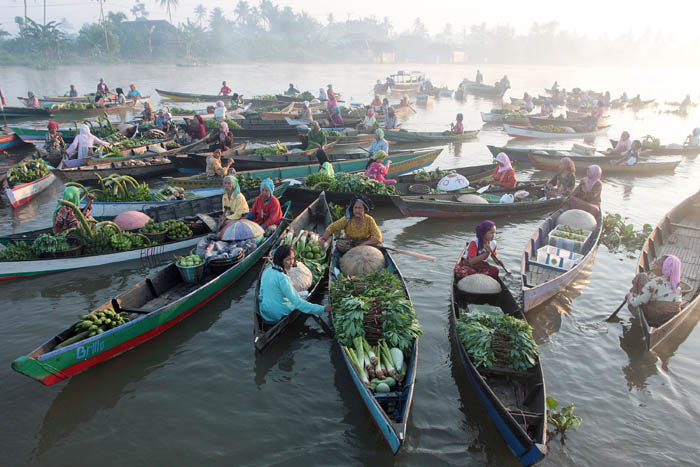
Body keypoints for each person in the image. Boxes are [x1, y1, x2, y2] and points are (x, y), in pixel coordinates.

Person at [258, 245, 331, 323]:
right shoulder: (283, 278)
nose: (292, 262)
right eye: (288, 259)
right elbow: (298, 303)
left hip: (264, 312)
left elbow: (261, 296)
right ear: (280, 260)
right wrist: (323, 309)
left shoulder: (267, 271)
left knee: (295, 295)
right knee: (305, 293)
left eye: (292, 258)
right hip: (278, 315)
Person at [627, 255, 682, 326]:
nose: (653, 265)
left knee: (632, 298)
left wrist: (630, 296)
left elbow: (635, 303)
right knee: (643, 277)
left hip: (655, 318)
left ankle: (645, 324)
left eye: (657, 264)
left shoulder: (653, 284)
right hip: (670, 317)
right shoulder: (677, 286)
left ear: (665, 269)